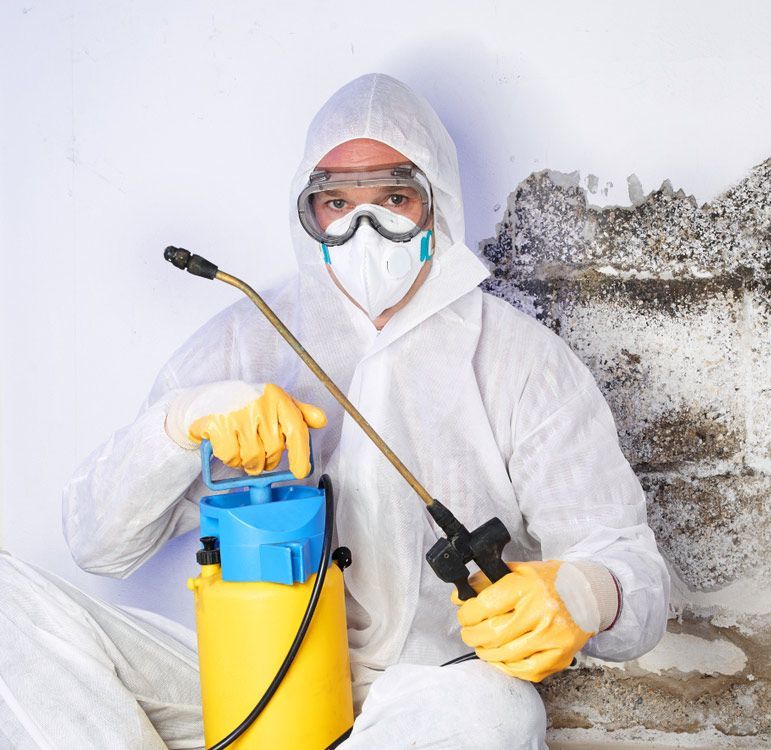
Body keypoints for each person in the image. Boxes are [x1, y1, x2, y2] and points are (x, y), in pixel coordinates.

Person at [13, 72, 669, 749]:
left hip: (427, 696)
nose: (365, 228)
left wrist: (582, 594)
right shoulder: (246, 339)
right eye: (337, 203)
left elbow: (633, 573)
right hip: (248, 677)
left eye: (392, 197)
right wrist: (179, 427)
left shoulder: (520, 361)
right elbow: (98, 546)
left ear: (434, 204)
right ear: (311, 213)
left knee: (494, 713)